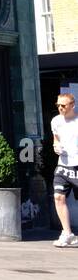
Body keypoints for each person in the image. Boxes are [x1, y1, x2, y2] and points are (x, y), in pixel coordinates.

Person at [51, 91, 78, 247]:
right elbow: (56, 139)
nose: (60, 108)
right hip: (63, 165)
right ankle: (67, 233)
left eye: (63, 105)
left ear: (72, 105)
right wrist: (56, 146)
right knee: (58, 197)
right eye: (58, 105)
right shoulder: (55, 121)